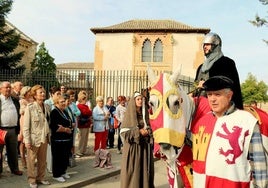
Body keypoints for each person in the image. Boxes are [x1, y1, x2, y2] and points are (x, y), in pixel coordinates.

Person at [191, 76, 268, 188]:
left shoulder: (247, 121)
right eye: (209, 95)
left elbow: (259, 165)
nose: (212, 99)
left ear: (229, 95)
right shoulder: (201, 122)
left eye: (217, 94)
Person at [194, 32, 243, 109]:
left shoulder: (226, 63)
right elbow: (196, 86)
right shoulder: (200, 67)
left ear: (216, 46)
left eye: (208, 44)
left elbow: (228, 85)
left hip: (221, 107)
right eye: (204, 44)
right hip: (201, 106)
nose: (204, 47)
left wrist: (206, 85)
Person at [120, 92, 154, 188]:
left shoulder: (145, 113)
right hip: (133, 149)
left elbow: (151, 127)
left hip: (144, 148)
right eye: (138, 99)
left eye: (141, 99)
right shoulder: (129, 114)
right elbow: (124, 132)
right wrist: (138, 132)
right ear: (134, 100)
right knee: (134, 171)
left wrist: (148, 131)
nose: (140, 101)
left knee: (144, 170)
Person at [23, 85, 51, 188]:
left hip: (45, 137)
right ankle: (32, 179)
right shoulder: (30, 107)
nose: (43, 94)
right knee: (31, 160)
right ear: (35, 95)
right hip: (34, 138)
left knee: (42, 160)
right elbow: (26, 126)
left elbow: (48, 122)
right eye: (40, 92)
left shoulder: (47, 107)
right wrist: (27, 140)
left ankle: (41, 178)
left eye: (44, 92)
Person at [0, 81, 23, 176]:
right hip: (1, 130)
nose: (8, 89)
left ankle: (14, 169)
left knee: (13, 151)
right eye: (6, 87)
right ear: (1, 89)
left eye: (10, 87)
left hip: (13, 130)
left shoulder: (14, 99)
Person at [49, 95, 73, 183]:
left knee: (65, 156)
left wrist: (69, 127)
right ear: (56, 103)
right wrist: (66, 129)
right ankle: (56, 174)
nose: (64, 103)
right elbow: (54, 126)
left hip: (66, 138)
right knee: (58, 157)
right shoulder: (54, 112)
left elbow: (69, 122)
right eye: (61, 102)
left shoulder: (64, 111)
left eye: (64, 101)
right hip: (58, 139)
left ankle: (63, 171)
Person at [44, 86, 61, 173]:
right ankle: (50, 167)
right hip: (51, 129)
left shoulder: (59, 102)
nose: (59, 95)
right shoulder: (47, 103)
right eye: (57, 94)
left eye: (60, 94)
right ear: (51, 94)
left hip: (59, 129)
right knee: (50, 150)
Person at [18, 86, 33, 169]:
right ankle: (23, 159)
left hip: (31, 121)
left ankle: (29, 159)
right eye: (28, 91)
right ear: (25, 92)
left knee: (29, 139)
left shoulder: (32, 100)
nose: (30, 93)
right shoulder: (22, 101)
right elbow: (21, 111)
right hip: (24, 121)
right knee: (23, 141)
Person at [66, 89, 81, 158]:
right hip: (69, 123)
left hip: (74, 122)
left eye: (73, 96)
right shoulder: (66, 105)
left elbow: (79, 112)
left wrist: (74, 113)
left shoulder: (74, 104)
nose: (73, 97)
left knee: (73, 138)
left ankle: (73, 153)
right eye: (72, 96)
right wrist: (74, 113)